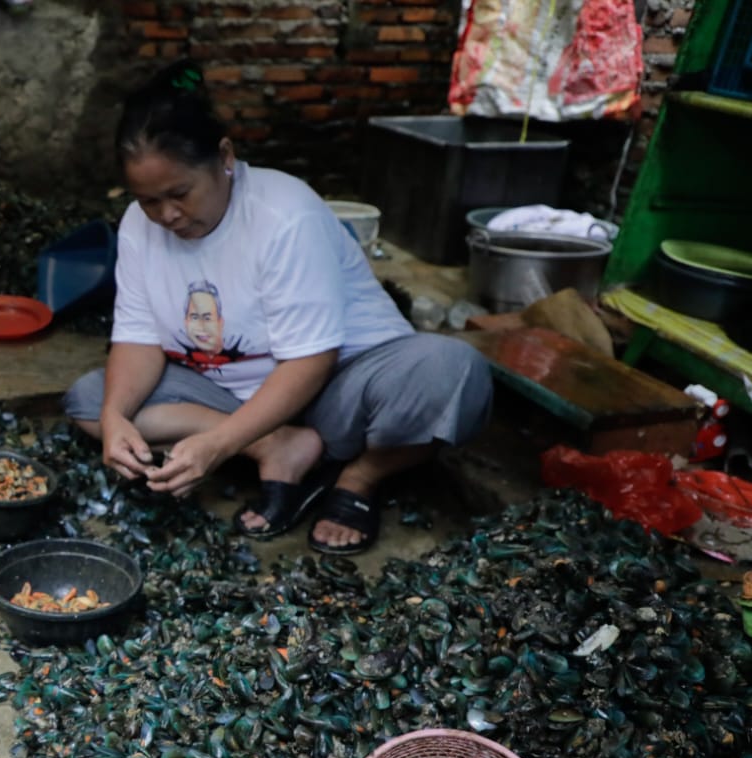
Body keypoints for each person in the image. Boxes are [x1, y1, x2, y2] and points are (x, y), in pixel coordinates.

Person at [64, 61, 493, 554]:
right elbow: (138, 340)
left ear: (225, 157)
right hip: (228, 397)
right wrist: (117, 416)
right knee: (90, 399)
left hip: (337, 395)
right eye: (148, 201)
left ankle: (359, 477)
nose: (167, 215)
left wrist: (218, 445)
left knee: (452, 371)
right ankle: (275, 448)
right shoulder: (139, 229)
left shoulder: (284, 216)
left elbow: (311, 363)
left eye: (179, 194)